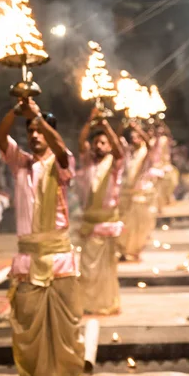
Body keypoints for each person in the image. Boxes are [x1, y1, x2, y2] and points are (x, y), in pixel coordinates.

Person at [0, 98, 84, 376]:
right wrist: (15, 111)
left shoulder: (61, 162)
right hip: (27, 258)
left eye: (40, 131)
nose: (34, 136)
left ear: (49, 133)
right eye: (30, 131)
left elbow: (62, 150)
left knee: (65, 327)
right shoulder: (20, 162)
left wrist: (38, 117)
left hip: (58, 256)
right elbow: (0, 136)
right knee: (27, 327)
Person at [76, 108, 125, 316]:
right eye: (96, 142)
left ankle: (105, 303)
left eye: (103, 143)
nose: (98, 145)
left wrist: (105, 125)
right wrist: (90, 120)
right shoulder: (88, 161)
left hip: (106, 224)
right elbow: (81, 142)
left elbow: (119, 151)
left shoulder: (114, 163)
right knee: (86, 269)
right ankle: (88, 303)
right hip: (89, 224)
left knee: (106, 269)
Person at [118, 122, 157, 261]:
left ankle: (134, 251)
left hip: (138, 195)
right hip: (124, 194)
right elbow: (116, 141)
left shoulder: (144, 154)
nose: (135, 139)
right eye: (133, 137)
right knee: (124, 225)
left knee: (137, 226)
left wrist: (138, 129)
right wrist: (123, 127)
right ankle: (123, 250)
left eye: (138, 137)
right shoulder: (127, 153)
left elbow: (149, 145)